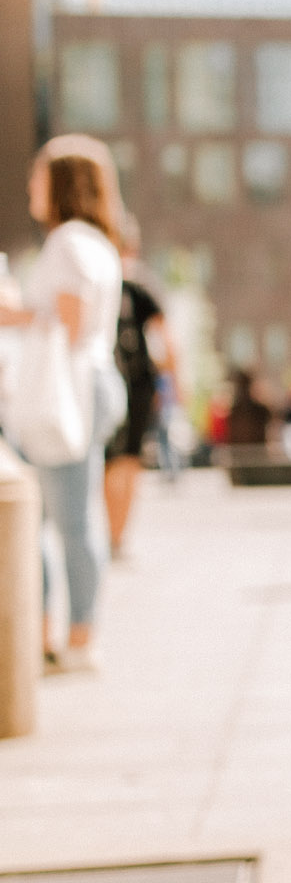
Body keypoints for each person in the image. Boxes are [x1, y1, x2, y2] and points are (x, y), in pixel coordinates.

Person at [0, 137, 125, 671]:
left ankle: (76, 638)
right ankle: (58, 635)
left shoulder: (69, 243)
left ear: (61, 184)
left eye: (38, 176)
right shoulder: (91, 241)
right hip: (83, 386)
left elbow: (67, 325)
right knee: (62, 519)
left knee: (66, 522)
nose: (31, 185)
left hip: (67, 393)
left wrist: (14, 314)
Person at [103, 219, 174, 560]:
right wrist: (173, 382)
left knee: (111, 464)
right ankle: (115, 537)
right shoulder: (138, 284)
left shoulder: (110, 282)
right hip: (134, 385)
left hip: (110, 383)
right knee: (127, 464)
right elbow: (166, 339)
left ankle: (111, 536)